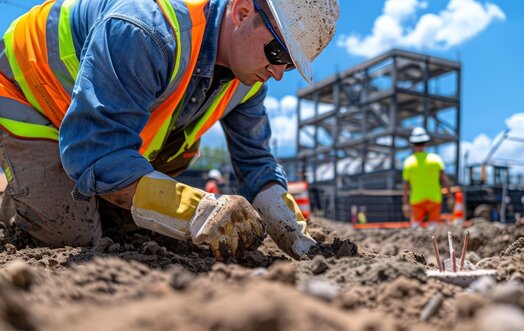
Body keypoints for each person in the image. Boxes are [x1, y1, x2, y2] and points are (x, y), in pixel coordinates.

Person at [0, 0, 339, 260]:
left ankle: (92, 199)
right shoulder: (147, 30)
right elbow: (96, 150)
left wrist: (290, 227)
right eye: (277, 52)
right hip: (32, 94)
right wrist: (197, 210)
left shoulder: (250, 79)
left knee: (140, 230)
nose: (278, 72)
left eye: (290, 64)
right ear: (242, 11)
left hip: (103, 129)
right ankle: (17, 194)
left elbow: (256, 162)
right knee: (70, 234)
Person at [402, 127, 451, 227]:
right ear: (426, 143)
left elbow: (406, 186)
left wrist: (405, 203)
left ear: (413, 143)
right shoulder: (436, 159)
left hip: (417, 200)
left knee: (416, 229)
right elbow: (445, 180)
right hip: (434, 199)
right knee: (434, 228)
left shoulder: (408, 162)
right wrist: (450, 197)